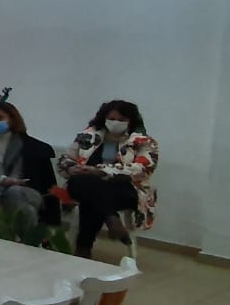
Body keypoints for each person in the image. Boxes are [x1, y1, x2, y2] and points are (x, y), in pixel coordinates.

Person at [58, 100, 159, 258]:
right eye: (111, 118)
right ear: (103, 118)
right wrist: (71, 167)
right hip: (86, 184)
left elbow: (142, 168)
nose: (115, 122)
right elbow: (65, 158)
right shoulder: (88, 136)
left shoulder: (143, 142)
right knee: (83, 182)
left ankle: (83, 247)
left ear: (131, 121)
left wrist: (100, 171)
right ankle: (111, 218)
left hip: (124, 188)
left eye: (121, 120)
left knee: (90, 195)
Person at [0, 101, 56, 223]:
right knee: (25, 209)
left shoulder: (27, 145)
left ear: (12, 119)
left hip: (25, 188)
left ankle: (22, 232)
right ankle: (23, 233)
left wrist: (6, 187)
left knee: (14, 193)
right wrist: (2, 181)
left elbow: (20, 175)